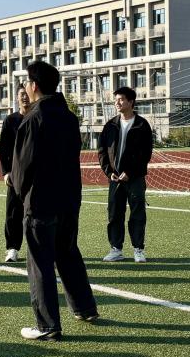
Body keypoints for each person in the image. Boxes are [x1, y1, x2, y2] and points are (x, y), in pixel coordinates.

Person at [12, 60, 99, 340]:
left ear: (34, 85)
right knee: (68, 253)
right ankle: (85, 308)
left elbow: (22, 167)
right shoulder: (69, 117)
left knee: (40, 262)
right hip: (69, 198)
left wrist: (21, 194)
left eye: (28, 82)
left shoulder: (34, 118)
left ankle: (47, 325)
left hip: (41, 201)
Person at [98, 86, 154, 263]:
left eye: (121, 99)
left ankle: (138, 249)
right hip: (115, 179)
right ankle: (116, 249)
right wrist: (109, 172)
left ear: (131, 102)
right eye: (115, 100)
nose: (117, 102)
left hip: (135, 178)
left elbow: (146, 154)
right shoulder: (110, 125)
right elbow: (102, 151)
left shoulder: (141, 125)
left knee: (137, 213)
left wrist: (130, 172)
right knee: (115, 213)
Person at [0, 85, 31, 263]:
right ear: (17, 98)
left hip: (36, 176)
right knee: (13, 213)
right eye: (21, 94)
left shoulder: (39, 117)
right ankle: (12, 248)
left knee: (37, 214)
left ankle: (38, 249)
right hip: (16, 176)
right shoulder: (10, 121)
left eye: (27, 94)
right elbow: (4, 149)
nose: (25, 97)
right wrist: (6, 172)